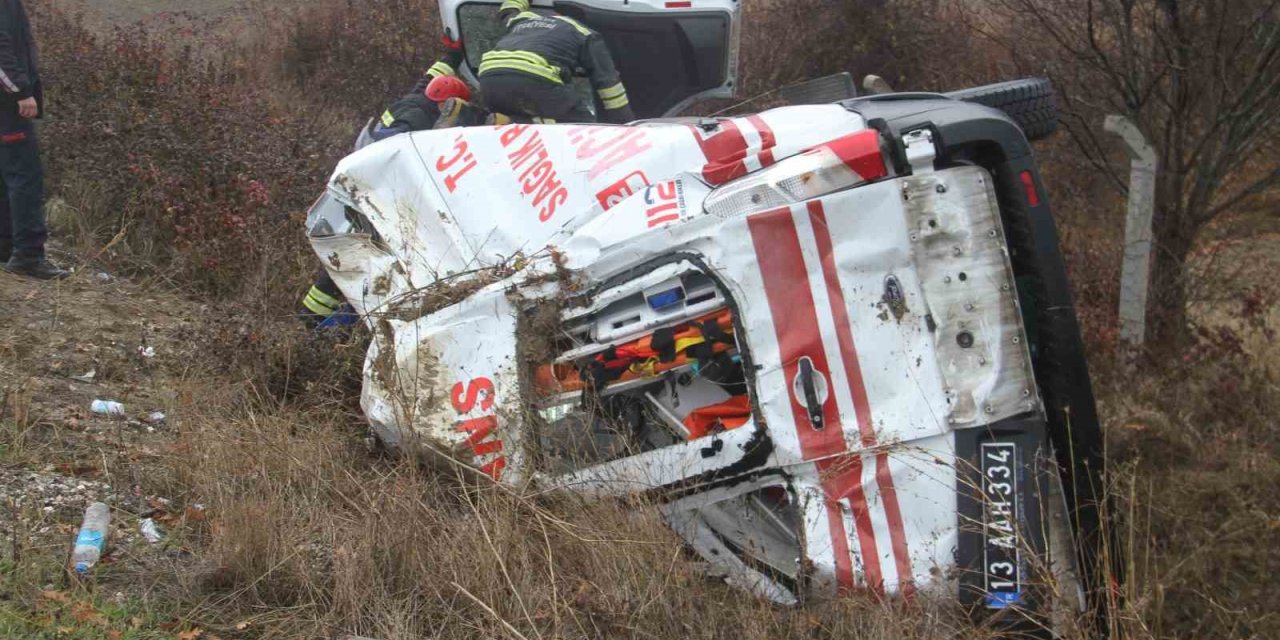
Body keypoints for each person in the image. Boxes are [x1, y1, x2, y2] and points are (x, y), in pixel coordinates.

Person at [479, 0, 635, 124]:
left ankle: (471, 116)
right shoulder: (586, 34)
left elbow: (508, 11)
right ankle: (517, 122)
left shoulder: (523, 21)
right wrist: (625, 125)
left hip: (489, 76)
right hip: (534, 76)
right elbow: (609, 86)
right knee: (583, 125)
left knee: (498, 119)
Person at [0, 0, 67, 279]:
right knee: (25, 175)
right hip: (7, 105)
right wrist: (21, 91)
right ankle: (28, 253)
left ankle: (6, 246)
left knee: (7, 175)